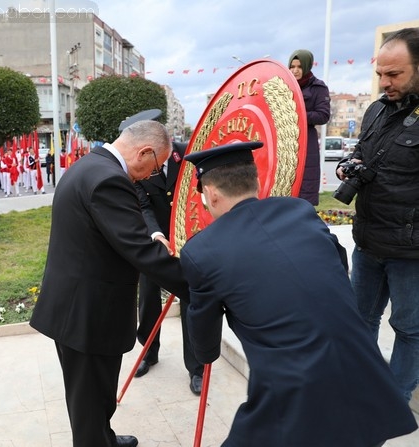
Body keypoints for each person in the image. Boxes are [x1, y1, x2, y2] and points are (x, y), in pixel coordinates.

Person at [180, 141, 417, 447]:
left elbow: (205, 340)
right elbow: (338, 260)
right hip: (364, 377)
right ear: (256, 181)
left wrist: (206, 349)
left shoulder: (202, 250)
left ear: (211, 194)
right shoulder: (300, 210)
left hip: (294, 390)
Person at [30, 120, 189, 447]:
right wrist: (198, 283)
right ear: (144, 152)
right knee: (89, 402)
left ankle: (104, 438)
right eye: (155, 167)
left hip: (81, 307)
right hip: (87, 314)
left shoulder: (90, 165)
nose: (151, 176)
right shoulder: (109, 181)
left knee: (97, 395)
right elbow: (139, 251)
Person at [336, 27, 419, 402]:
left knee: (409, 329)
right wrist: (349, 165)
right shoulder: (376, 109)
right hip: (368, 243)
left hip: (411, 254)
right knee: (359, 321)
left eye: (394, 74)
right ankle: (356, 389)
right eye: (380, 74)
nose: (384, 82)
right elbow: (362, 153)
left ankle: (394, 401)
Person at [125, 110, 203, 394]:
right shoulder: (139, 164)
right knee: (147, 298)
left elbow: (200, 195)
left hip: (190, 241)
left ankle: (196, 367)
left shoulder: (189, 156)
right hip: (156, 240)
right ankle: (148, 352)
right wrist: (156, 235)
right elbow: (143, 205)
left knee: (190, 301)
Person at [288, 49, 331, 205]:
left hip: (306, 142)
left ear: (307, 66)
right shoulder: (283, 85)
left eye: (299, 66)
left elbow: (323, 115)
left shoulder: (318, 87)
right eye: (292, 66)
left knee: (304, 190)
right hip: (285, 141)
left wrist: (297, 114)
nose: (295, 70)